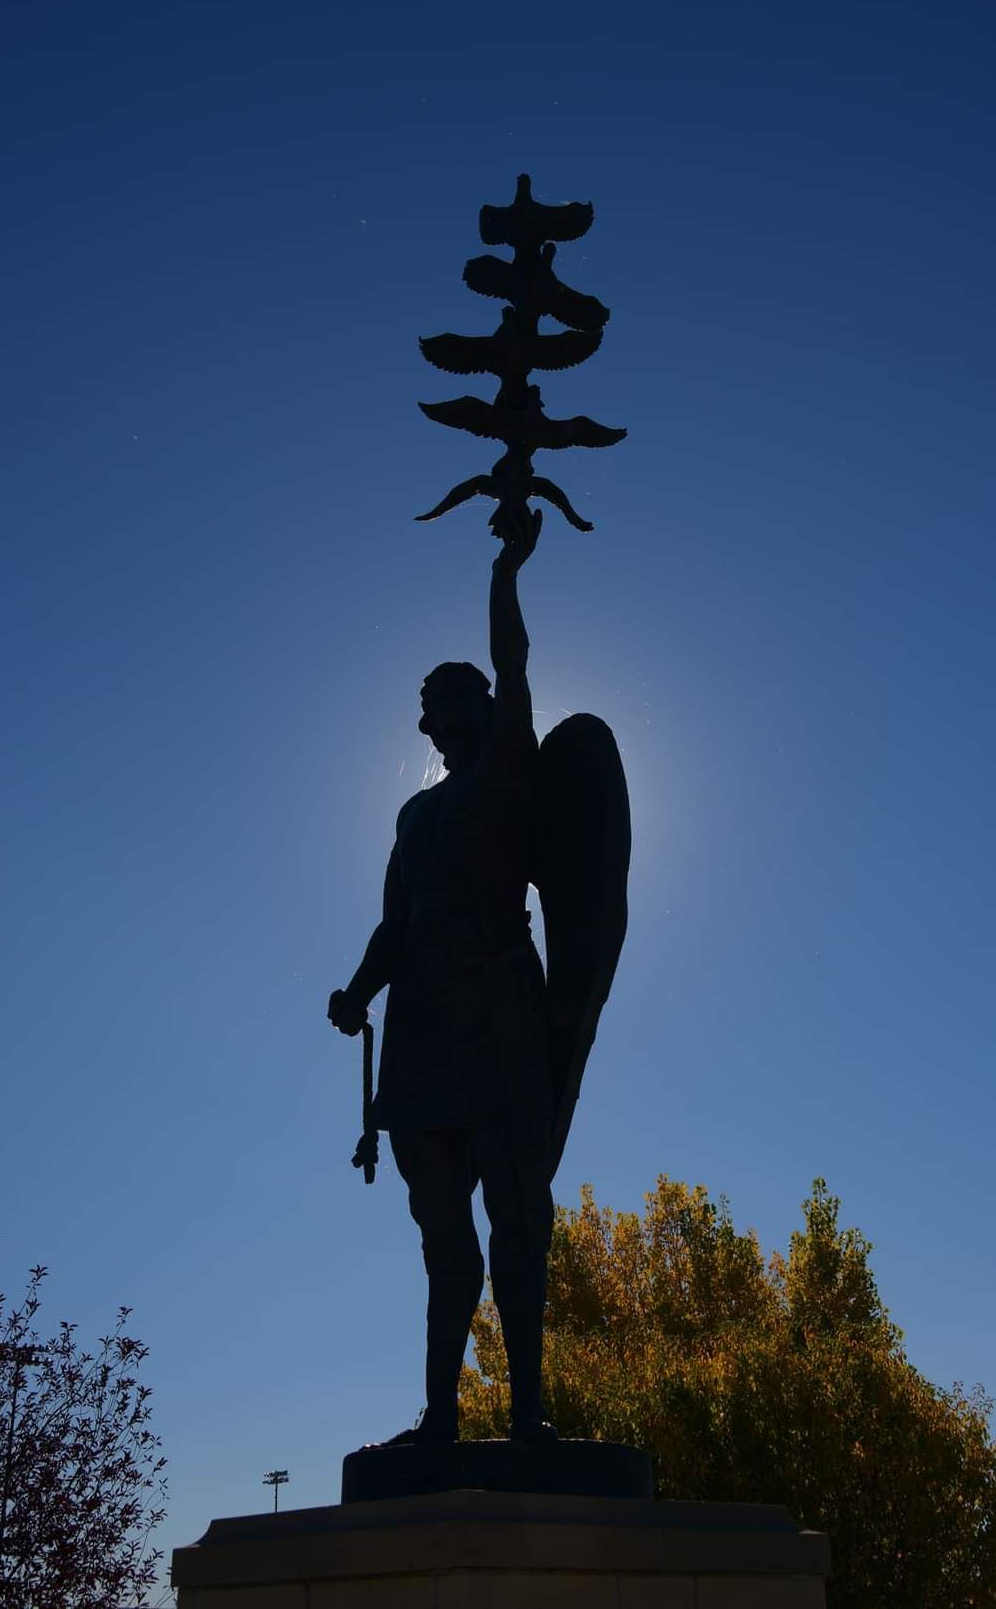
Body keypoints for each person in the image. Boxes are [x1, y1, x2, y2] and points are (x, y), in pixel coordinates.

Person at [328, 505, 558, 1444]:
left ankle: (529, 1413)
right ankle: (441, 1418)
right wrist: (358, 989)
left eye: (456, 689)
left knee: (517, 1222)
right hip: (424, 1033)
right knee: (443, 1245)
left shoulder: (511, 772)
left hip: (500, 1013)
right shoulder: (414, 818)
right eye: (432, 696)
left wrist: (506, 573)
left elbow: (515, 663)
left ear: (484, 708)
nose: (443, 703)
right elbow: (395, 924)